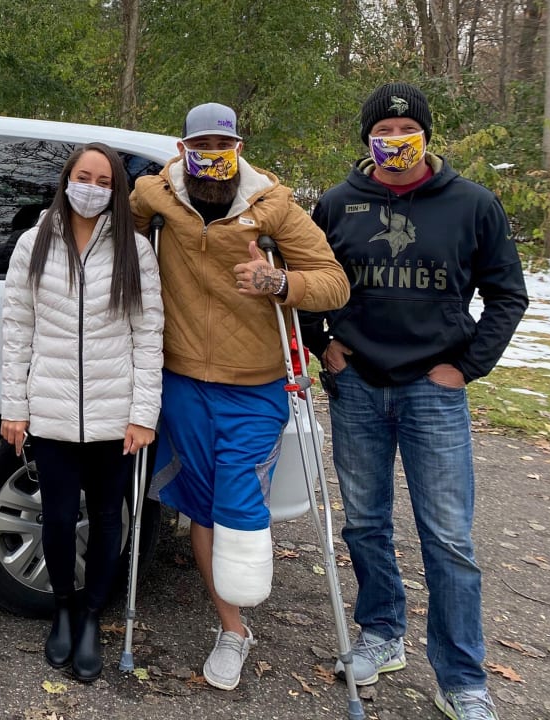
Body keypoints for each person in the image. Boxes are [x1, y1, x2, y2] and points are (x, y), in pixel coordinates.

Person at [304, 82, 527, 720]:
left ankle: (461, 678)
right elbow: (310, 281)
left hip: (434, 391)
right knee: (366, 523)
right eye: (385, 129)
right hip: (357, 390)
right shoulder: (338, 205)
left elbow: (507, 295)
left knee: (449, 538)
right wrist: (326, 347)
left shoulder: (472, 205)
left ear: (425, 134)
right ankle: (382, 631)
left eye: (407, 129)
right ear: (367, 137)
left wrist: (466, 366)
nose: (396, 138)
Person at [128, 103, 349, 691]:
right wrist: (141, 197)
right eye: (199, 145)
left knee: (237, 505)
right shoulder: (162, 202)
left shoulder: (272, 207)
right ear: (182, 150)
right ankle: (234, 629)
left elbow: (334, 282)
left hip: (254, 386)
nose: (211, 156)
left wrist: (279, 283)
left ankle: (239, 615)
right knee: (201, 506)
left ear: (239, 148)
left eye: (221, 146)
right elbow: (109, 219)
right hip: (181, 383)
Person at [0, 142, 164, 682]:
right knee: (59, 518)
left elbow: (148, 335)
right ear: (66, 179)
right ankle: (64, 609)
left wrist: (143, 414)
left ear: (115, 189)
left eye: (102, 180)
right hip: (50, 412)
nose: (90, 188)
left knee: (108, 521)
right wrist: (15, 406)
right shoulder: (34, 243)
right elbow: (17, 331)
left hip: (116, 417)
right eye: (82, 176)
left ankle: (94, 615)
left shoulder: (134, 251)